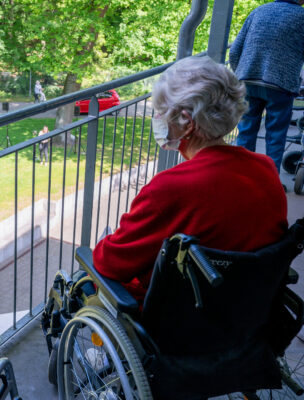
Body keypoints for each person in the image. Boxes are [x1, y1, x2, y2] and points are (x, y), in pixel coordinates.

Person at [93, 56, 288, 304]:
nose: (158, 119)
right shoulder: (265, 168)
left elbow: (111, 263)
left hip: (179, 320)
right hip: (245, 313)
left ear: (186, 121)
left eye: (160, 112)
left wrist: (102, 247)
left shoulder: (169, 189)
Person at [229, 0, 304, 173]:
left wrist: (240, 74)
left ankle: (243, 178)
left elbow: (234, 51)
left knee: (246, 131)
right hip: (280, 84)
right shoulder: (301, 17)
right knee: (275, 135)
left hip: (247, 80)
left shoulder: (258, 11)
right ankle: (269, 181)